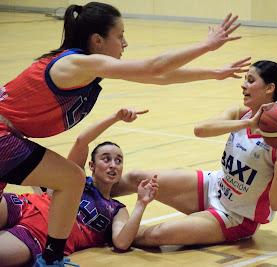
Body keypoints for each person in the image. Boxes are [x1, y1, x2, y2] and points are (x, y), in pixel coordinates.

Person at [0, 2, 248, 265]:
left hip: (10, 138)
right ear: (98, 40)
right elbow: (154, 67)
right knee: (72, 178)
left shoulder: (85, 68)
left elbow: (159, 77)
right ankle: (52, 259)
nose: (125, 43)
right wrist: (206, 45)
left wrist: (214, 73)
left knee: (69, 179)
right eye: (119, 36)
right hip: (4, 135)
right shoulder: (73, 64)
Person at [111, 60, 277, 246]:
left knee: (157, 234)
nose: (243, 85)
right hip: (214, 185)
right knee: (136, 177)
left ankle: (104, 230)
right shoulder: (241, 114)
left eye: (250, 80)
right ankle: (89, 197)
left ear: (270, 88)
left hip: (236, 215)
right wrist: (248, 123)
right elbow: (200, 129)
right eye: (244, 79)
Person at [0, 107, 159, 266]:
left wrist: (141, 203)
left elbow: (122, 242)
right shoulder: (76, 179)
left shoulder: (116, 209)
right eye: (106, 159)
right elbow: (82, 140)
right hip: (24, 205)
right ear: (92, 165)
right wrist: (115, 117)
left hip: (42, 234)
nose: (113, 165)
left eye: (118, 161)